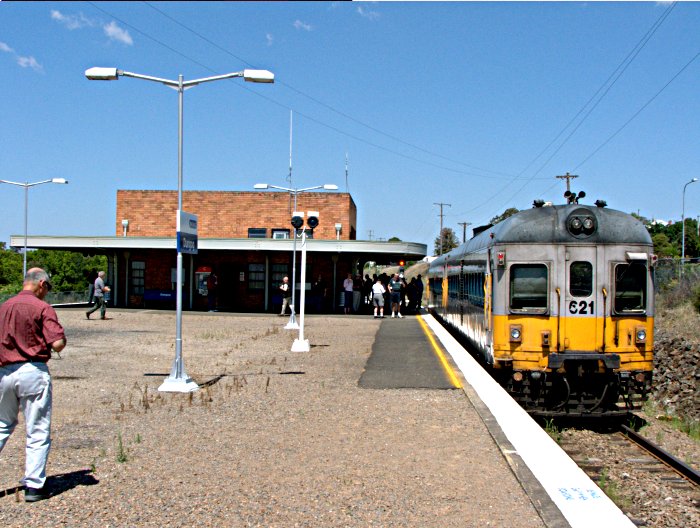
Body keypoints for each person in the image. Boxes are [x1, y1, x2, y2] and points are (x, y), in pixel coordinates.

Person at [0, 268, 66, 502]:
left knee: (2, 424)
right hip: (32, 371)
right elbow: (57, 343)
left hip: (4, 371)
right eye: (47, 288)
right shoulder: (42, 308)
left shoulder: (5, 306)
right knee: (37, 428)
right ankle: (34, 485)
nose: (47, 293)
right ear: (41, 284)